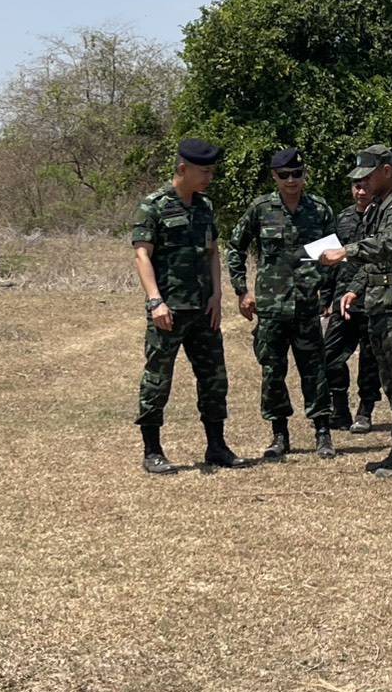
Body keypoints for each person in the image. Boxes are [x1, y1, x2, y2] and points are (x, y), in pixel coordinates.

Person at [318, 145, 392, 479]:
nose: (363, 184)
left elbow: (390, 244)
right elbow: (376, 264)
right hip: (383, 306)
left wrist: (345, 251)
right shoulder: (378, 207)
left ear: (386, 171)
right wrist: (355, 288)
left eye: (368, 177)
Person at [130, 138, 245, 474]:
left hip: (203, 309)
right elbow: (142, 255)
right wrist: (156, 301)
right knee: (158, 379)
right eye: (204, 171)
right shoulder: (153, 206)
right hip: (169, 309)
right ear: (183, 168)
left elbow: (213, 252)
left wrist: (217, 295)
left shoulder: (204, 206)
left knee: (214, 379)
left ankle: (216, 446)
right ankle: (152, 450)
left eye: (211, 171)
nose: (210, 177)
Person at [225, 147, 341, 461]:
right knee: (272, 371)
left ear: (305, 175)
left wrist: (326, 293)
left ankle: (322, 432)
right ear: (274, 177)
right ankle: (279, 435)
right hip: (271, 307)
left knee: (314, 371)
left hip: (306, 306)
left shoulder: (319, 209)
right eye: (284, 175)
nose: (291, 180)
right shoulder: (261, 209)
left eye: (297, 174)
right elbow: (235, 247)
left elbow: (334, 254)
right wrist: (241, 291)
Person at [321, 178, 383, 434]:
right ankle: (340, 409)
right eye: (357, 186)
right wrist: (326, 299)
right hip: (342, 300)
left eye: (367, 186)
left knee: (370, 359)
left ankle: (365, 412)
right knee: (330, 355)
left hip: (373, 299)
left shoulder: (383, 217)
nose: (361, 191)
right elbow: (330, 260)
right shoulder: (343, 218)